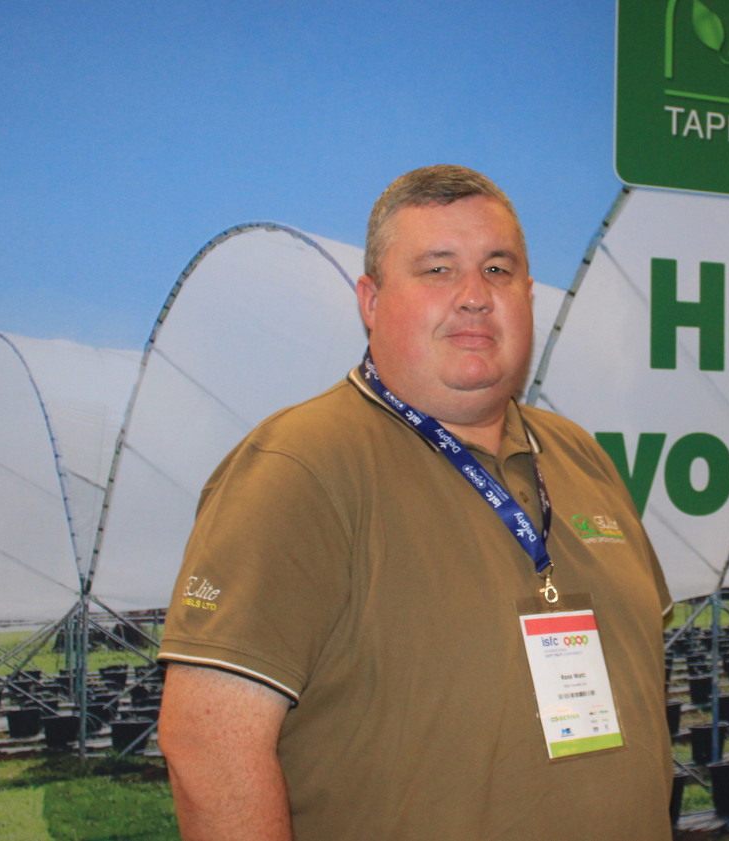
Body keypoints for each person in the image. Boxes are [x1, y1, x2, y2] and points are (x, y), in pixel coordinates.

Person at [157, 165, 673, 841]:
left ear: (527, 297)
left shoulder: (580, 456)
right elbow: (207, 745)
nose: (475, 296)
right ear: (371, 300)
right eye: (437, 269)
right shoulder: (299, 468)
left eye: (498, 269)